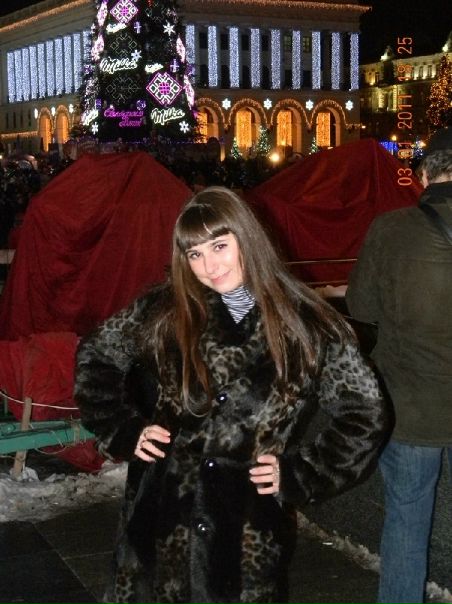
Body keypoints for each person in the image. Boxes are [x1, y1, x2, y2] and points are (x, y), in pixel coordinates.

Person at [74, 186, 389, 604]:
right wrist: (123, 429)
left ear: (246, 238)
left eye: (219, 246)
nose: (209, 265)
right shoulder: (166, 309)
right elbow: (96, 355)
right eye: (195, 253)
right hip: (161, 514)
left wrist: (301, 472)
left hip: (243, 529)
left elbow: (364, 413)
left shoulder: (305, 324)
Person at [346, 127, 452, 604]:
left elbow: (361, 306)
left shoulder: (390, 229)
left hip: (409, 406)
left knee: (407, 522)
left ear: (425, 174)